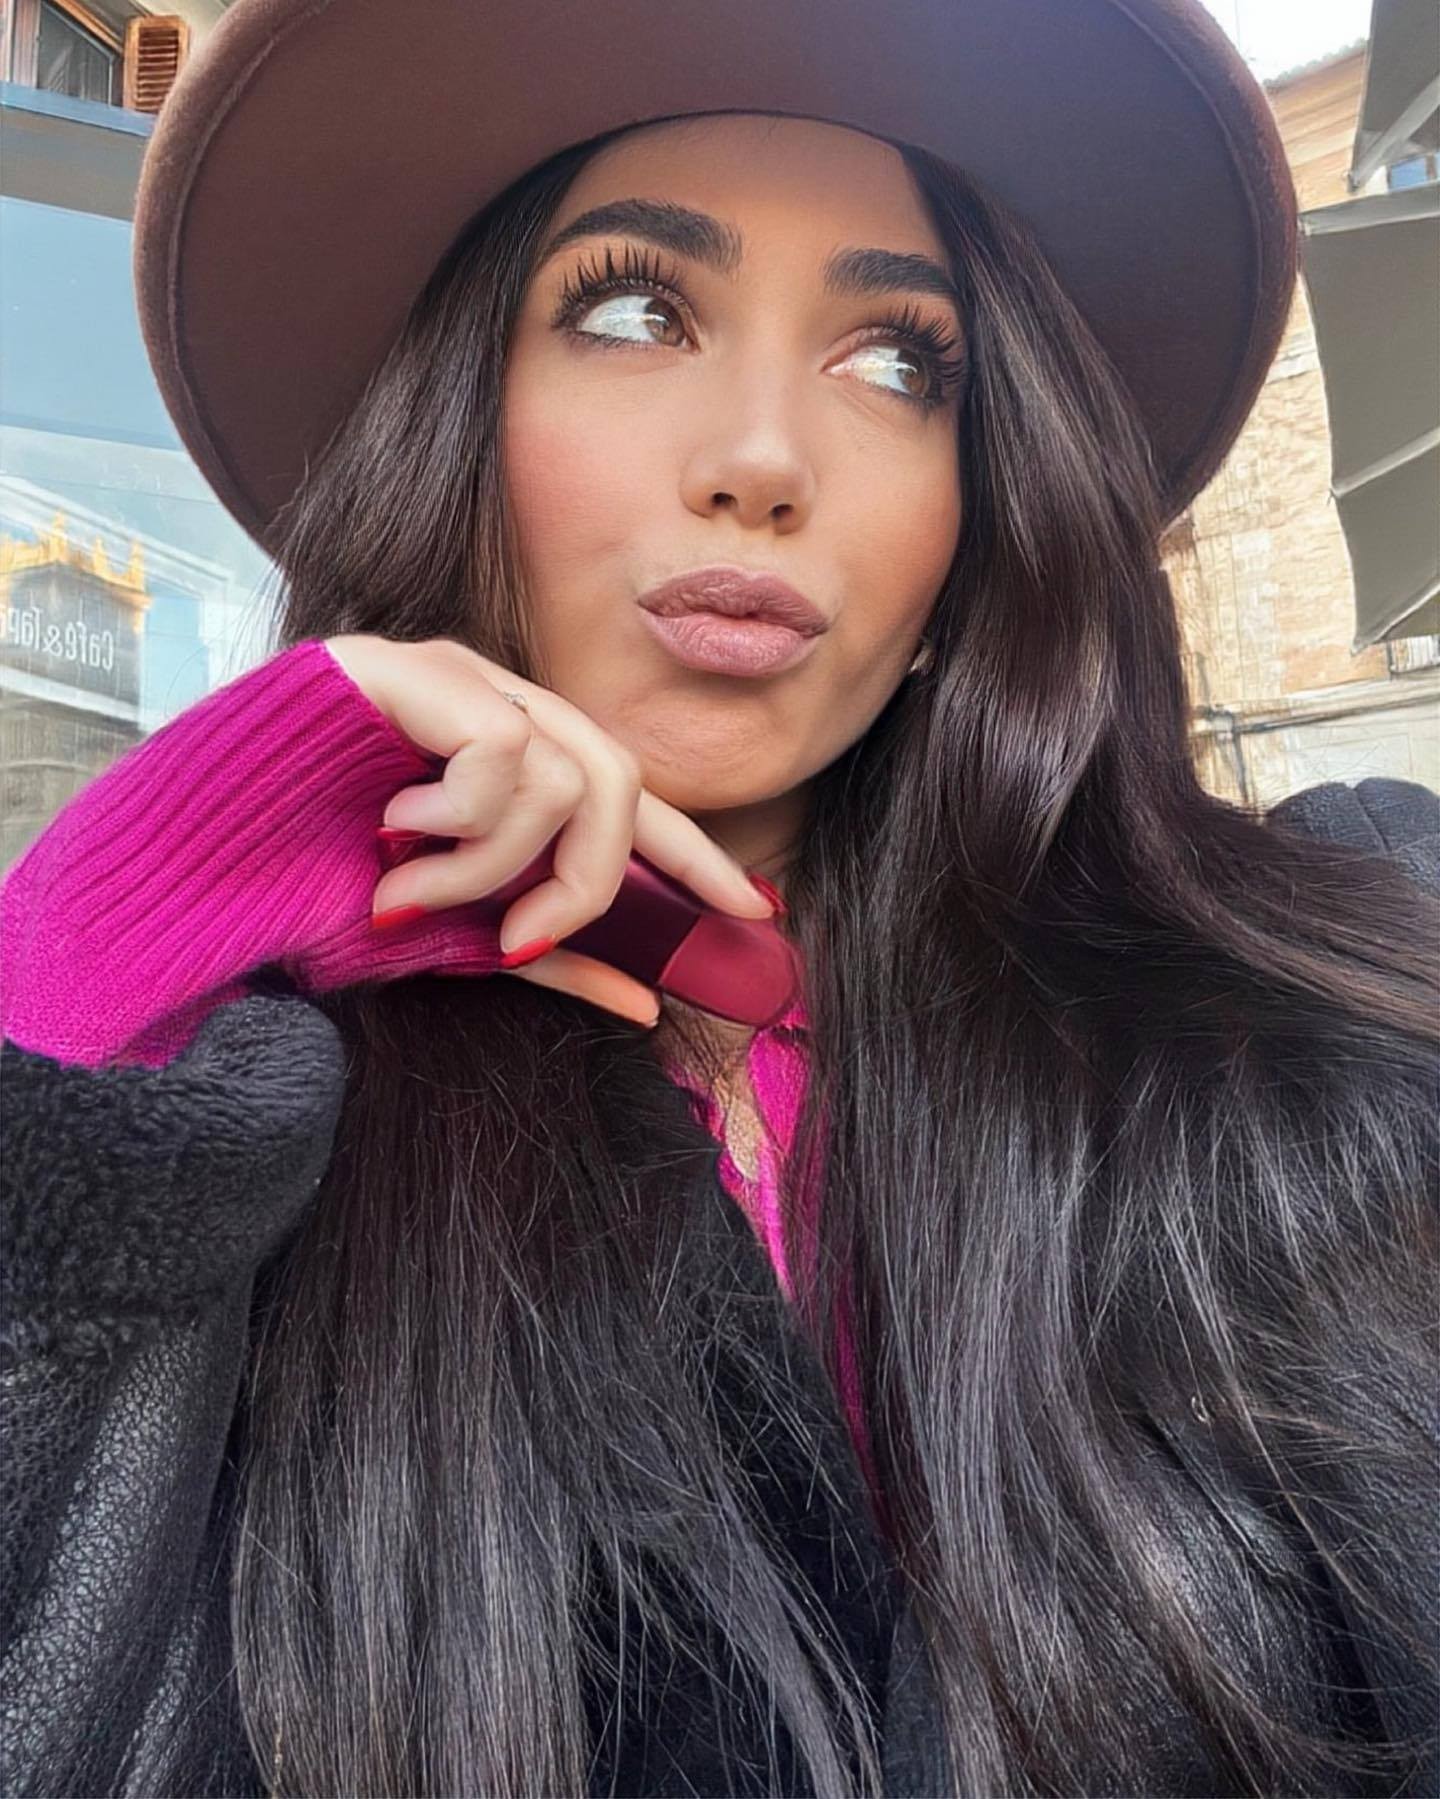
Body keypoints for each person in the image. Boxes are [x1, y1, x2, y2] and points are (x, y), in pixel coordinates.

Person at [2, 1, 1436, 1795]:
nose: (762, 456)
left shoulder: (1330, 1004)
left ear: (980, 517)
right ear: (459, 428)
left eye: (897, 360)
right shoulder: (239, 1118)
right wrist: (119, 928)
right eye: (632, 311)